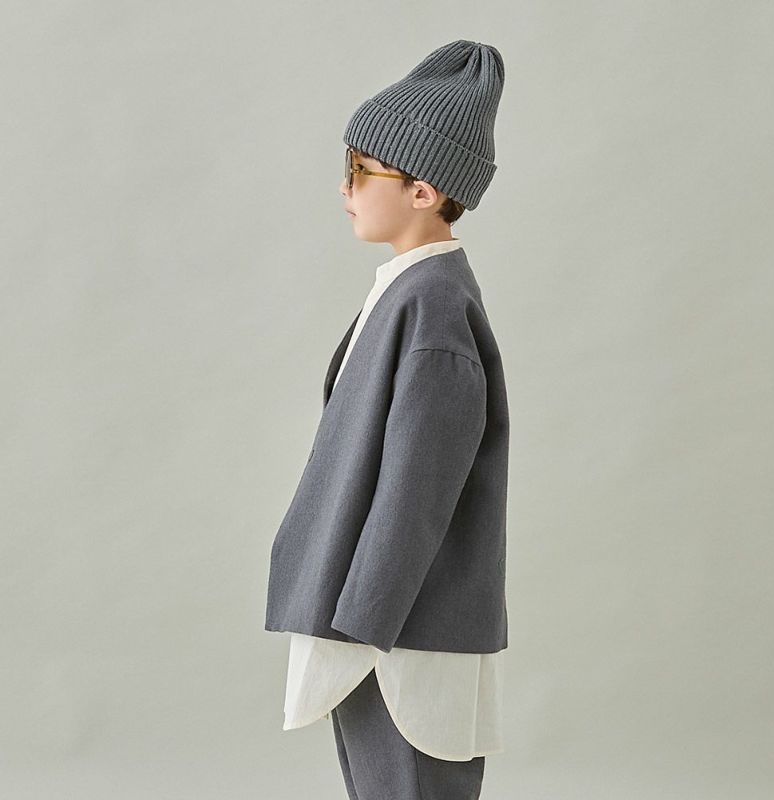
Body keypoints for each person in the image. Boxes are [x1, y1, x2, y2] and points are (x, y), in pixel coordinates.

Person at [264, 39, 509, 799]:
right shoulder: (410, 293)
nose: (345, 186)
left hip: (398, 629)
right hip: (377, 619)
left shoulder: (433, 307)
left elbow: (419, 487)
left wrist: (363, 621)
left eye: (361, 170)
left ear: (423, 191)